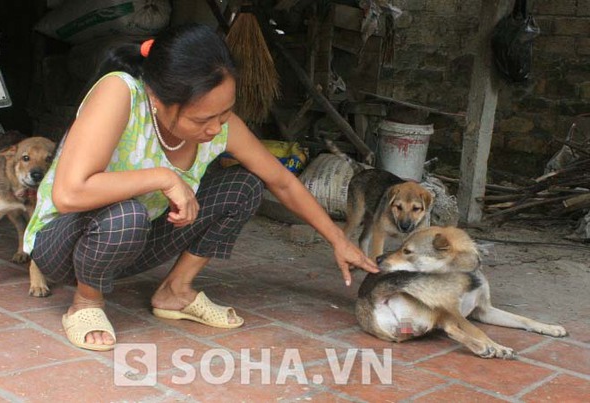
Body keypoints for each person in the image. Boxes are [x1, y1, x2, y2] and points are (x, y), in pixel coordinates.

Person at [23, 23, 378, 352]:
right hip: (62, 245)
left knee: (243, 186)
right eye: (202, 119)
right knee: (127, 212)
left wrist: (337, 239)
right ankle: (86, 301)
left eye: (224, 114)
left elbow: (281, 181)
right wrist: (163, 177)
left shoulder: (220, 125)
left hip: (126, 244)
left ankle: (175, 291)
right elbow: (69, 194)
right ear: (158, 100)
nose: (216, 128)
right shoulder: (121, 93)